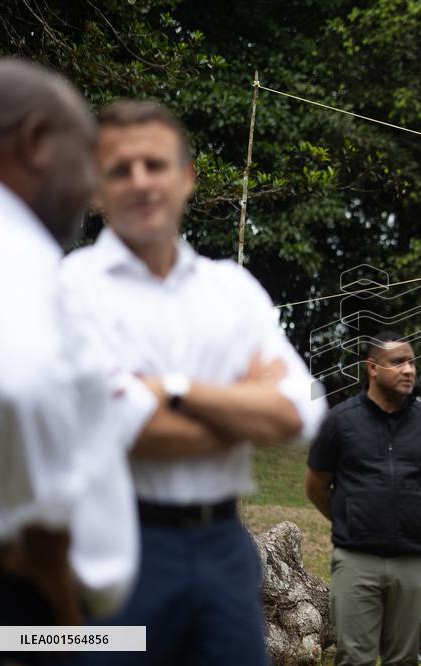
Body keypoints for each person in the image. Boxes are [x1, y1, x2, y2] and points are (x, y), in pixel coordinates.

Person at [62, 99, 325, 665]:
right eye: (119, 169)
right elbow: (115, 426)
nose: (140, 181)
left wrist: (172, 390)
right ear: (95, 189)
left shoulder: (230, 290)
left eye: (155, 165)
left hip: (225, 548)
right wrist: (243, 413)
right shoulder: (71, 291)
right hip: (117, 549)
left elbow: (304, 408)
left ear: (186, 178)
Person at [0, 56, 140, 656]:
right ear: (36, 141)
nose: (94, 191)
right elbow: (18, 386)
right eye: (88, 162)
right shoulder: (17, 256)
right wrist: (58, 594)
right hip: (23, 604)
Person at [306, 331, 421, 666]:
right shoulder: (339, 422)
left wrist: (409, 514)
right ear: (372, 368)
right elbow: (316, 486)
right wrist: (352, 517)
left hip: (413, 561)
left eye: (412, 362)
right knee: (354, 657)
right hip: (356, 559)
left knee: (404, 659)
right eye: (398, 362)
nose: (409, 370)